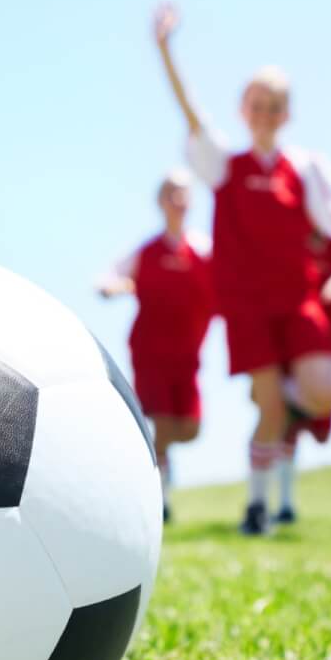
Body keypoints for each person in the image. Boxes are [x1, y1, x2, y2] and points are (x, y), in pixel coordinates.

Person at [149, 2, 331, 536]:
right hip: (248, 307)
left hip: (299, 300)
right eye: (258, 104)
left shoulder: (306, 169)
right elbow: (192, 115)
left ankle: (289, 399)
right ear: (244, 109)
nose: (266, 113)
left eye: (276, 106)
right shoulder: (225, 165)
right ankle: (256, 508)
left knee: (321, 394)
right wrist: (165, 51)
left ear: (287, 113)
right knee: (268, 406)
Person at [97, 170, 215, 521]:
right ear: (161, 202)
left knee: (191, 428)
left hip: (189, 354)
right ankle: (159, 500)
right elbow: (110, 277)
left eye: (183, 194)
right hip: (152, 350)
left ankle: (154, 461)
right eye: (171, 194)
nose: (178, 201)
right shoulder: (146, 252)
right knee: (161, 418)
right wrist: (115, 287)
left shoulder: (204, 252)